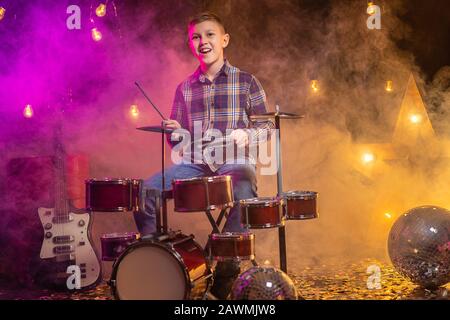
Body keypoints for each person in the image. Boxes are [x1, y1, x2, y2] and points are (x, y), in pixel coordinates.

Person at [134, 11, 273, 299]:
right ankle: (156, 261)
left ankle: (225, 268)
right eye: (196, 37)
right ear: (191, 44)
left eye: (209, 35)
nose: (203, 41)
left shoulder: (246, 81)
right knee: (145, 190)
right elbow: (179, 144)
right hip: (196, 165)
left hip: (234, 161)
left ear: (224, 40)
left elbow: (268, 126)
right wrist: (175, 131)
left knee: (245, 182)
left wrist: (249, 134)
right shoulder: (184, 88)